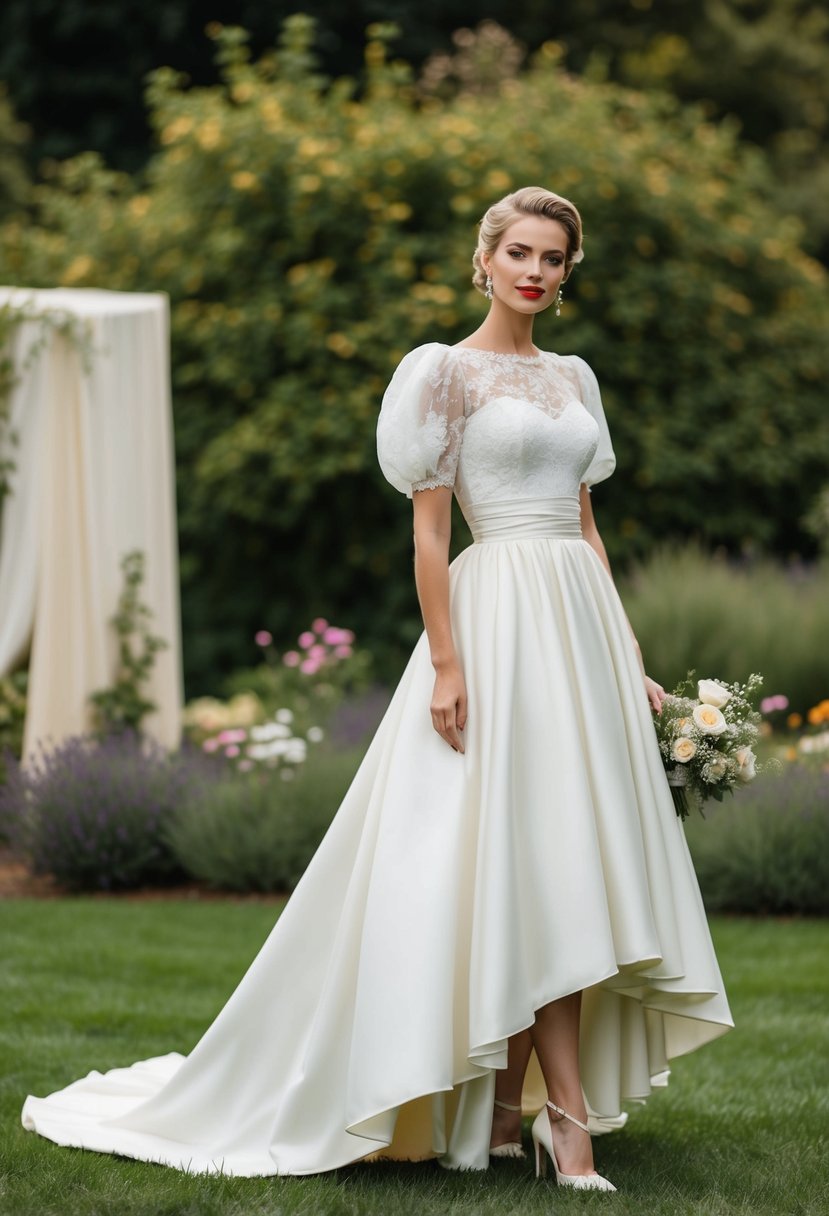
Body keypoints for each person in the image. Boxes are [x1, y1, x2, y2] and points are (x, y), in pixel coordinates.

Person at [22, 186, 732, 1189]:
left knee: (560, 861)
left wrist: (626, 654)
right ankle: (561, 1126)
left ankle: (500, 1116)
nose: (536, 271)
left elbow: (585, 528)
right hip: (494, 627)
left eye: (555, 258)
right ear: (483, 259)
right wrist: (446, 663)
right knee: (518, 860)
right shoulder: (439, 373)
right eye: (520, 252)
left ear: (570, 274)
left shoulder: (574, 376)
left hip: (574, 628)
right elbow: (430, 535)